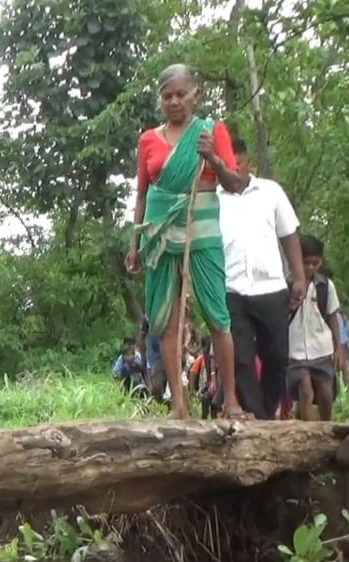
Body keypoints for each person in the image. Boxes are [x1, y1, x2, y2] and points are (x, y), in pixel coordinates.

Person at [125, 64, 250, 420]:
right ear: (160, 100)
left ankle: (231, 402)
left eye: (181, 94)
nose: (175, 101)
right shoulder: (148, 139)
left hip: (203, 226)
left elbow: (234, 184)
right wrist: (135, 243)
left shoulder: (211, 131)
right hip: (160, 235)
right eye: (168, 96)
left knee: (217, 315)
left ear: (195, 94)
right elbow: (142, 194)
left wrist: (212, 157)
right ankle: (179, 404)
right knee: (165, 319)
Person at [216, 138, 307, 420]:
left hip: (271, 286)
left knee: (277, 355)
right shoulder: (212, 198)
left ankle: (266, 410)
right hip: (230, 288)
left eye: (237, 163)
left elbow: (288, 234)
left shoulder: (271, 192)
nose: (233, 170)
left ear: (248, 162)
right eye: (226, 165)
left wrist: (299, 276)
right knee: (240, 358)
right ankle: (257, 417)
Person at [285, 235, 344, 421]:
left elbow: (333, 317)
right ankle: (310, 433)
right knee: (305, 391)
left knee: (326, 393)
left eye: (315, 263)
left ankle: (326, 426)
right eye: (305, 263)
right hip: (294, 349)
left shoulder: (325, 286)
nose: (310, 267)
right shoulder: (285, 285)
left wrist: (339, 348)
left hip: (321, 347)